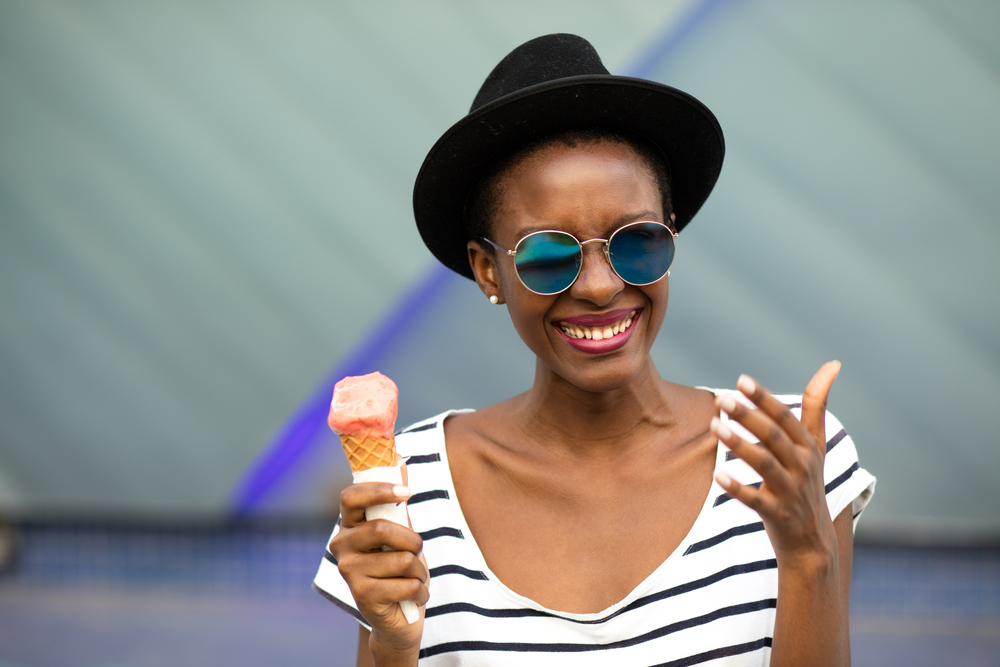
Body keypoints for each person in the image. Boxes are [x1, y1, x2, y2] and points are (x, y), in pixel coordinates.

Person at [314, 34, 875, 667]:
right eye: (548, 256)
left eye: (636, 242)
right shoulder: (403, 486)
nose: (603, 285)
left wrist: (808, 557)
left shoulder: (789, 453)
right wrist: (392, 641)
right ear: (488, 271)